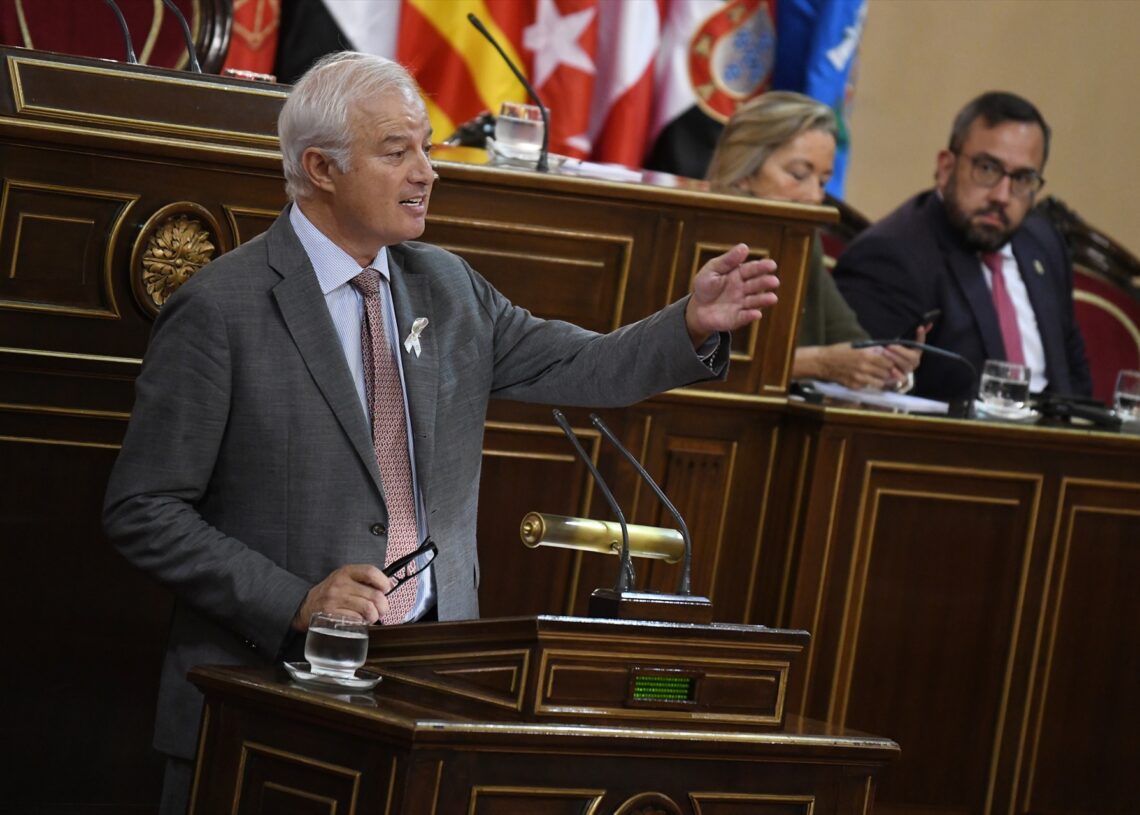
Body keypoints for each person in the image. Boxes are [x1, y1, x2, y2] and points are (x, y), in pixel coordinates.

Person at [102, 52, 780, 813]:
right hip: (262, 697)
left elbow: (586, 366)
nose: (427, 170)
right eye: (398, 152)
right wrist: (294, 599)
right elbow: (144, 508)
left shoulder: (448, 288)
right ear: (321, 168)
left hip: (433, 688)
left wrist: (689, 325)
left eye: (426, 145)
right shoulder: (220, 309)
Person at [833, 91, 1091, 402]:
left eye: (1023, 178)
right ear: (945, 167)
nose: (1002, 195)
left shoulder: (1042, 244)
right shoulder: (891, 255)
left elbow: (1074, 375)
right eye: (987, 169)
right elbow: (865, 395)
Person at [705, 91, 924, 391]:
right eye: (798, 174)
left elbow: (848, 339)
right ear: (745, 172)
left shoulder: (804, 240)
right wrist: (818, 362)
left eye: (822, 181)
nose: (815, 197)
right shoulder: (705, 239)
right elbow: (700, 362)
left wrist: (886, 363)